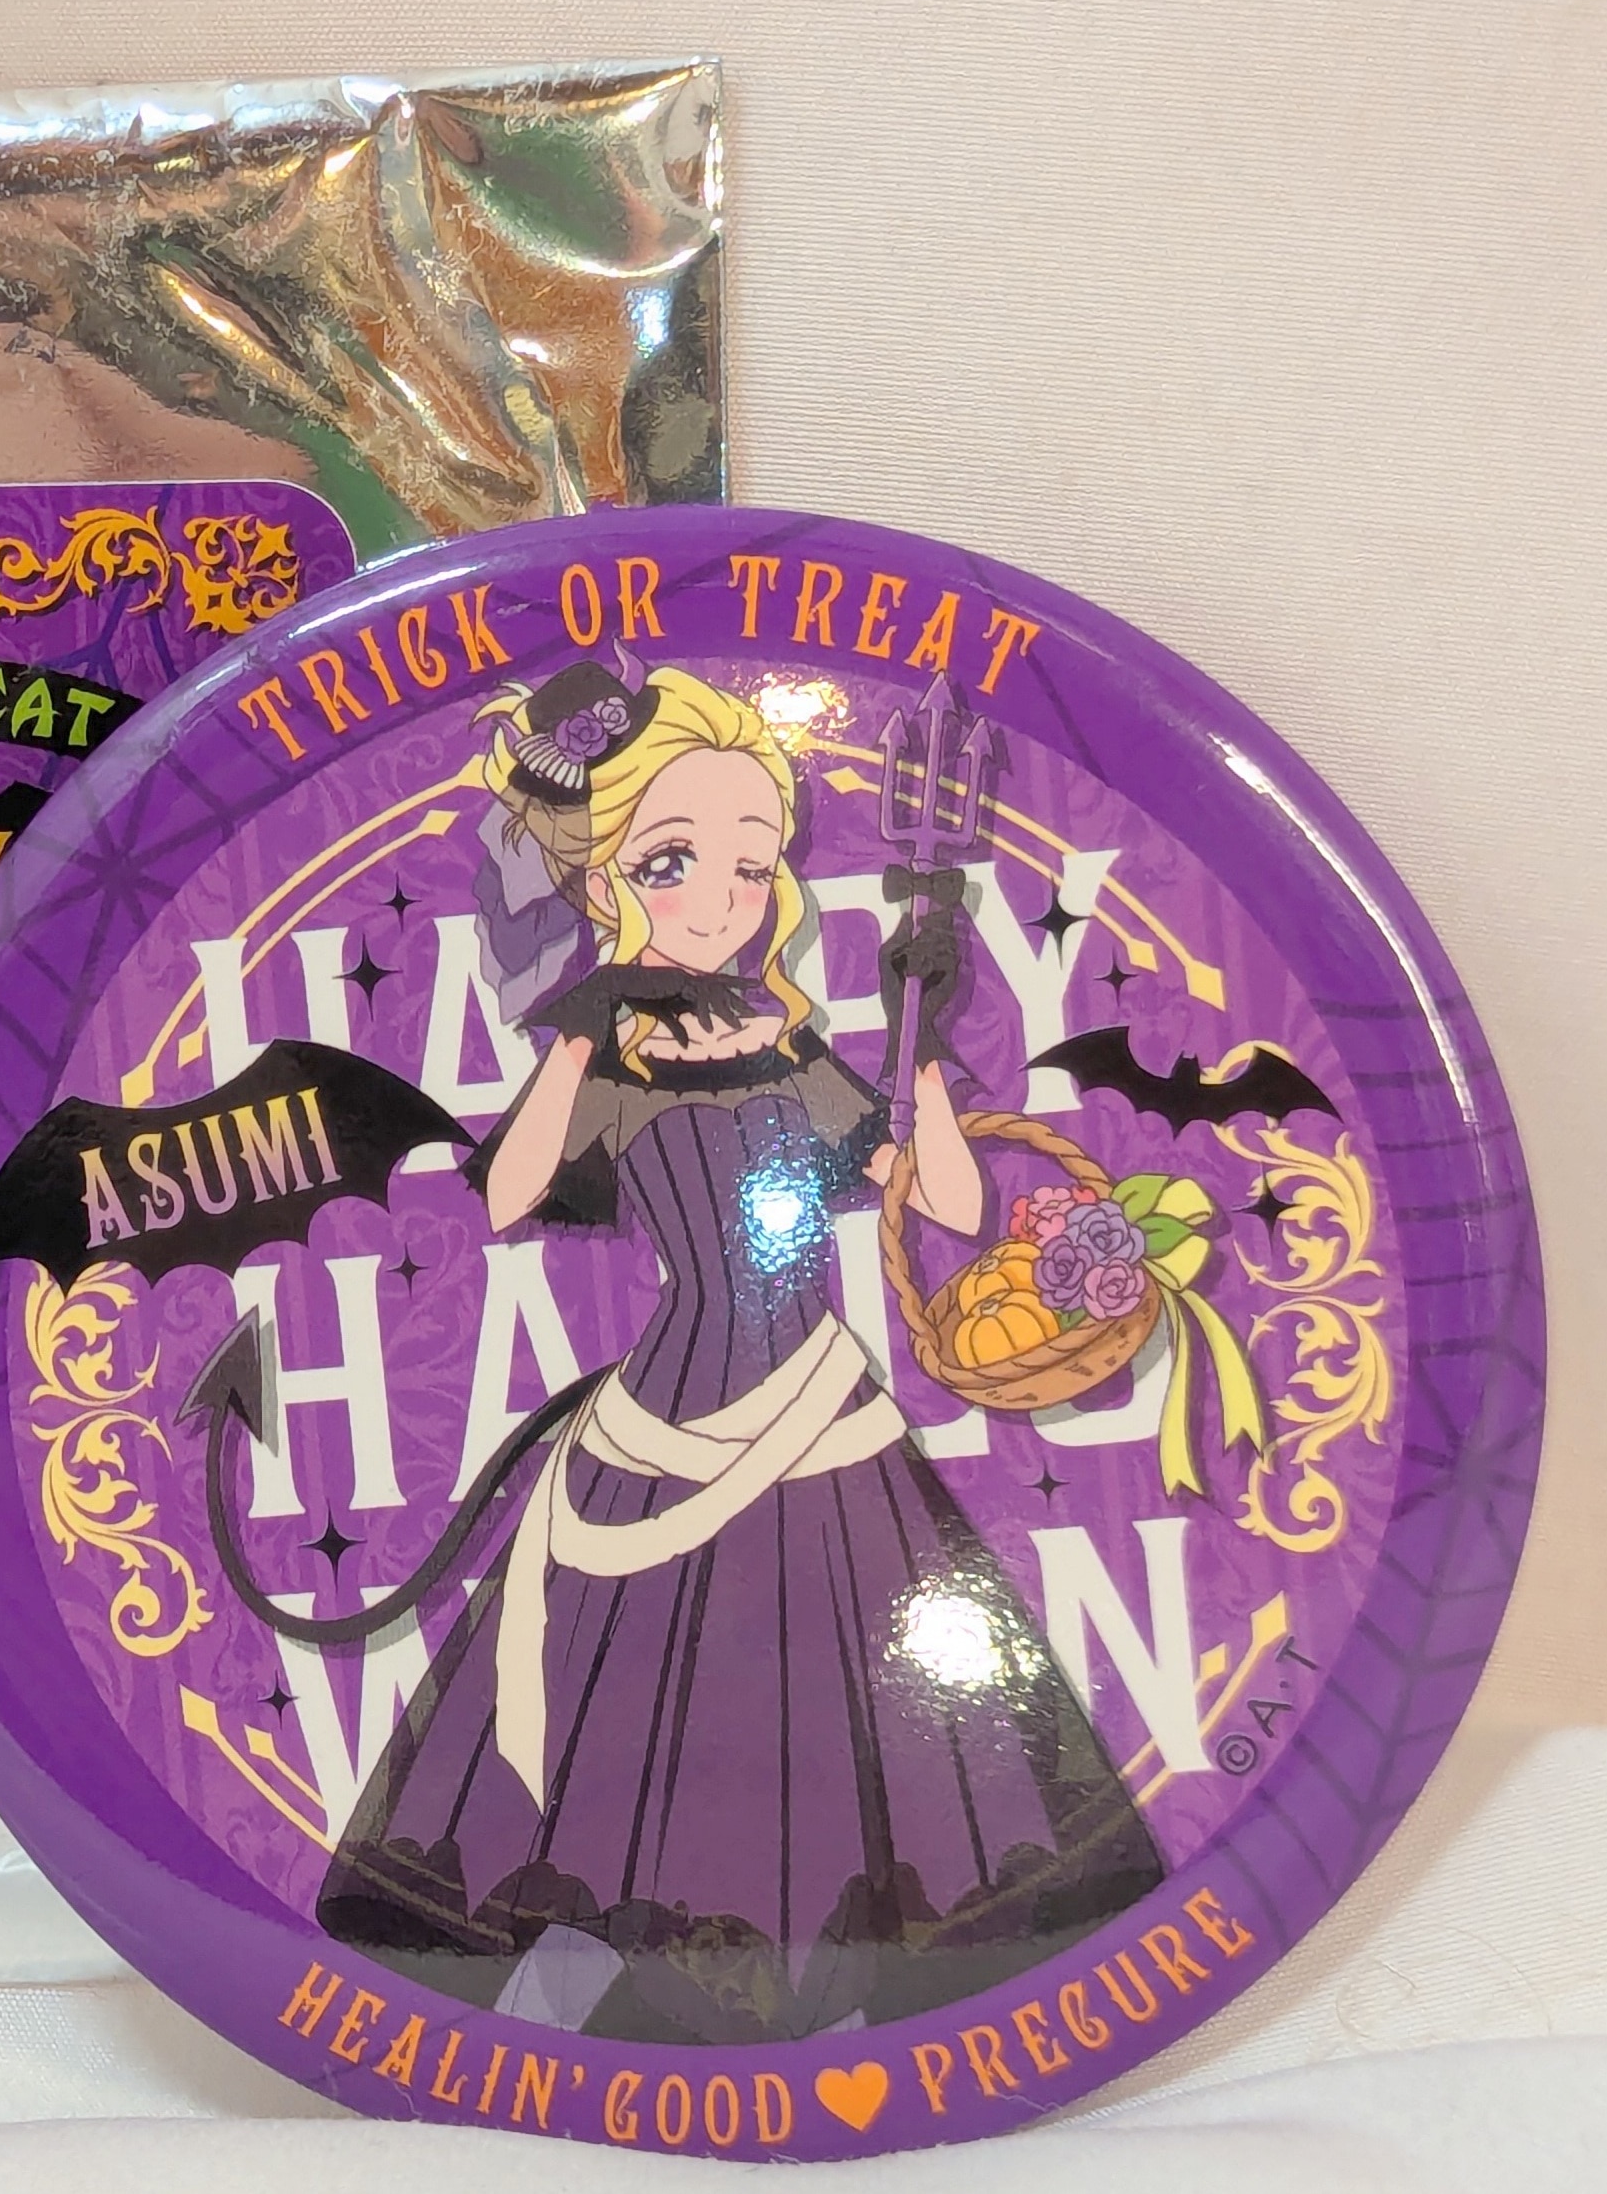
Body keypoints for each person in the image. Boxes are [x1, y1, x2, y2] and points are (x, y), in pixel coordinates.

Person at [312, 657, 1165, 2044]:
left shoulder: (788, 1045)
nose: (719, 895)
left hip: (824, 1420)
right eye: (672, 860)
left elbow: (943, 1202)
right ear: (606, 878)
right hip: (664, 1423)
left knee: (854, 1719)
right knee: (631, 1716)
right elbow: (507, 1194)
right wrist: (578, 1040)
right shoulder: (606, 1049)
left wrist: (923, 1047)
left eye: (752, 863)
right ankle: (611, 1994)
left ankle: (841, 2001)